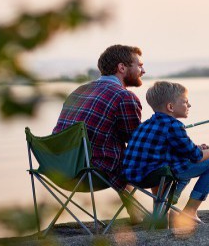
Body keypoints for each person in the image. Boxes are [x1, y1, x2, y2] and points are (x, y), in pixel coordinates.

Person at [53, 44, 146, 223]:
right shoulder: (124, 96)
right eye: (139, 65)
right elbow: (136, 142)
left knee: (112, 152)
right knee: (145, 153)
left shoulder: (78, 91)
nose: (143, 70)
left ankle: (135, 213)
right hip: (90, 173)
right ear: (122, 67)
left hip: (59, 168)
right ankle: (162, 214)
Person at [122, 81, 209, 227]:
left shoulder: (145, 124)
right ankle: (190, 211)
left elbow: (175, 148)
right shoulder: (174, 125)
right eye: (185, 102)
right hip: (155, 176)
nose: (189, 106)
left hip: (133, 177)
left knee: (183, 162)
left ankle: (166, 208)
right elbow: (196, 157)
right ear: (170, 107)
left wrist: (200, 148)